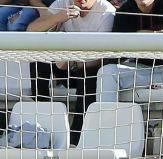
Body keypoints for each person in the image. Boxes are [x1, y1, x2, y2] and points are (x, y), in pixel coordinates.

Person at [27, 0, 116, 145]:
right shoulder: (62, 3)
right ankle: (41, 118)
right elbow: (31, 30)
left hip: (90, 68)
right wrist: (58, 17)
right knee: (38, 59)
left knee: (89, 75)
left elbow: (103, 56)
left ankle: (77, 136)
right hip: (65, 66)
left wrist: (73, 63)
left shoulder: (106, 11)